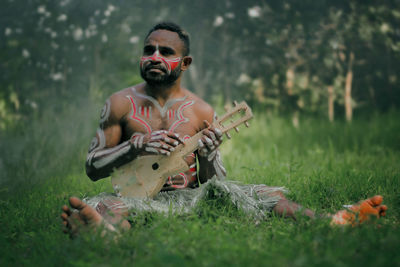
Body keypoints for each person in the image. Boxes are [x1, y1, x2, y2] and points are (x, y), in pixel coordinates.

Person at [61, 22, 387, 237]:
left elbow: (213, 184)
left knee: (262, 195)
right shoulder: (119, 103)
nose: (154, 56)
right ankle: (107, 236)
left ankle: (335, 222)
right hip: (133, 197)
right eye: (149, 50)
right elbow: (92, 168)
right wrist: (136, 146)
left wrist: (207, 154)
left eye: (166, 52)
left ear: (185, 63)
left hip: (189, 198)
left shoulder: (202, 111)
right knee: (108, 203)